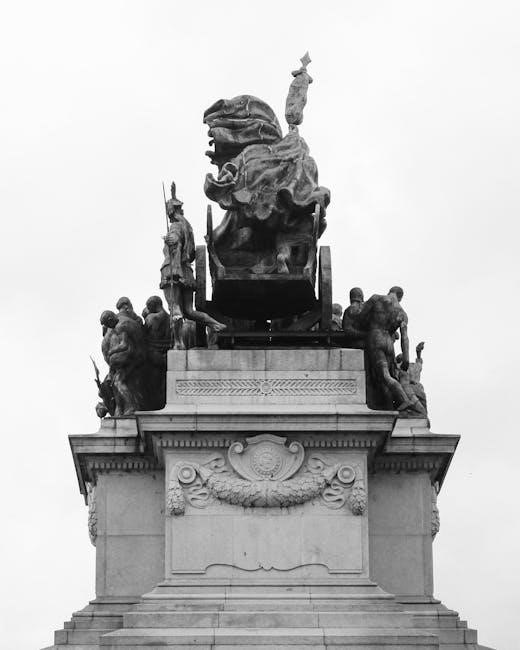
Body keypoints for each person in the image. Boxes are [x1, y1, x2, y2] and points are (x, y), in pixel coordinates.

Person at [161, 183, 226, 349]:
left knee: (175, 308)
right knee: (189, 311)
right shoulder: (187, 226)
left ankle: (178, 343)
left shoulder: (175, 227)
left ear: (170, 212)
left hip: (171, 270)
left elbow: (175, 239)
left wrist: (171, 240)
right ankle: (215, 324)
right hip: (187, 272)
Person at [356, 286, 413, 411]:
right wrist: (406, 358)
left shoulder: (377, 298)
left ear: (389, 291)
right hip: (389, 342)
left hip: (375, 338)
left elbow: (360, 318)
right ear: (400, 298)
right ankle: (389, 406)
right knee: (387, 376)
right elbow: (404, 338)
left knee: (384, 375)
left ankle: (403, 399)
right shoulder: (403, 314)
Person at [100, 310, 146, 416]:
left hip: (130, 361)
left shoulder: (122, 326)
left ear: (111, 319)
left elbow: (125, 345)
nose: (108, 327)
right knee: (114, 385)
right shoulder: (115, 328)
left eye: (107, 324)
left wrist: (112, 352)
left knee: (118, 382)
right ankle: (119, 409)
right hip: (120, 362)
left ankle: (132, 406)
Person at [397, 341, 428, 415]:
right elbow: (419, 362)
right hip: (411, 391)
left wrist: (418, 352)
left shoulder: (410, 366)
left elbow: (419, 362)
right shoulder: (400, 367)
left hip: (413, 391)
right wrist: (418, 352)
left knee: (422, 411)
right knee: (422, 411)